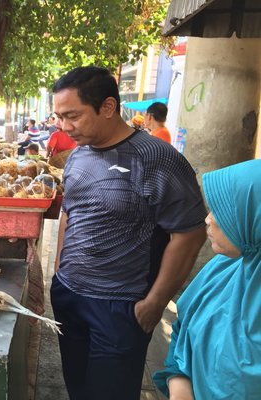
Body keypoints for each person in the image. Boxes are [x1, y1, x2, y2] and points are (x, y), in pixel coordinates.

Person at [50, 66, 208, 400]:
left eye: (73, 116)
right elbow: (69, 210)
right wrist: (59, 268)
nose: (65, 127)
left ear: (107, 107)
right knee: (77, 386)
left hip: (120, 305)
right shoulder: (77, 155)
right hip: (69, 296)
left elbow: (190, 234)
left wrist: (155, 302)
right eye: (59, 117)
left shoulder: (157, 158)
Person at [153, 159, 261, 400]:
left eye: (224, 212)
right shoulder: (225, 268)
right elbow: (184, 332)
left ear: (256, 220)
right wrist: (179, 383)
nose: (208, 219)